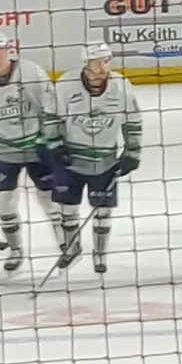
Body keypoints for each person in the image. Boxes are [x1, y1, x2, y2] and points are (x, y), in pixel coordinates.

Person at [0, 35, 65, 272]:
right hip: (4, 150)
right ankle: (15, 249)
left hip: (36, 147)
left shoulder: (31, 73)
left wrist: (50, 139)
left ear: (9, 49)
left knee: (50, 200)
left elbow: (51, 108)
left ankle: (66, 243)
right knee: (5, 204)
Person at [50, 40, 141, 274]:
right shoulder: (65, 85)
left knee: (103, 210)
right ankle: (72, 248)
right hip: (70, 160)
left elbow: (133, 120)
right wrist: (54, 144)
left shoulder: (121, 86)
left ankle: (100, 253)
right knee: (67, 208)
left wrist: (133, 151)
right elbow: (51, 117)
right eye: (96, 62)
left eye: (106, 61)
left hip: (105, 161)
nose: (102, 68)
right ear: (85, 63)